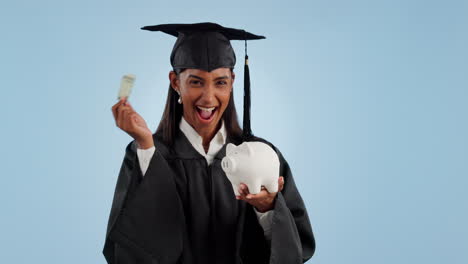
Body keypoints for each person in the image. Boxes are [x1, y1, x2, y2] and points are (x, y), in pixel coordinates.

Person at [103, 22, 315, 264]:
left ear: (233, 81)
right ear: (175, 82)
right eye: (196, 82)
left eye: (220, 82)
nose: (208, 97)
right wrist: (146, 146)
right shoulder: (146, 152)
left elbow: (296, 249)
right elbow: (128, 246)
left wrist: (267, 209)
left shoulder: (262, 154)